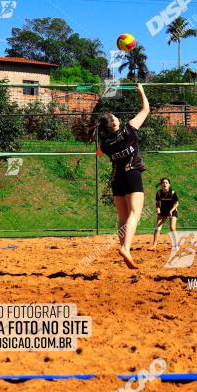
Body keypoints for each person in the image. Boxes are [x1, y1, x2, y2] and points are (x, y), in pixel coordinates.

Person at [73, 83, 150, 269]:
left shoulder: (106, 144)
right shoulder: (129, 129)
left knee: (123, 218)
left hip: (117, 180)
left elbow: (98, 153)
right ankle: (126, 248)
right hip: (132, 175)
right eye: (114, 117)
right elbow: (146, 109)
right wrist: (141, 91)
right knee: (135, 214)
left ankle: (124, 246)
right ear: (114, 121)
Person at [152, 178, 179, 250]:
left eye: (166, 183)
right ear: (161, 185)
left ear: (169, 184)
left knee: (172, 227)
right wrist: (158, 209)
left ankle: (176, 245)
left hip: (172, 210)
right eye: (163, 183)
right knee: (157, 227)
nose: (165, 184)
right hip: (163, 211)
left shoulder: (172, 192)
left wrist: (171, 210)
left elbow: (176, 204)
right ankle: (154, 245)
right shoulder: (159, 193)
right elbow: (157, 203)